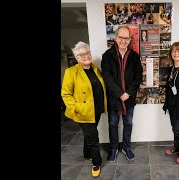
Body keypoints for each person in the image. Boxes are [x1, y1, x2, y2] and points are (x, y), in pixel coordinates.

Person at [61, 41, 107, 177]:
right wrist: (76, 107)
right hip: (83, 112)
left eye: (87, 53)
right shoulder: (71, 72)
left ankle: (87, 154)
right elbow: (65, 93)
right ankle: (96, 163)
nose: (86, 56)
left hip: (96, 110)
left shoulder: (95, 69)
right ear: (76, 58)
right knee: (93, 137)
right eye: (82, 54)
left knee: (90, 134)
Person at [101, 26, 143, 162]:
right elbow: (107, 78)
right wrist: (120, 94)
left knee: (128, 124)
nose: (123, 41)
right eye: (121, 37)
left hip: (129, 99)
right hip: (114, 98)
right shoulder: (107, 56)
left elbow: (138, 77)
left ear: (130, 39)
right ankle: (113, 148)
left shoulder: (135, 56)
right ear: (116, 38)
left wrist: (128, 94)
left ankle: (126, 147)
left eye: (126, 38)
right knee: (113, 124)